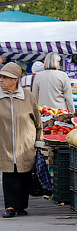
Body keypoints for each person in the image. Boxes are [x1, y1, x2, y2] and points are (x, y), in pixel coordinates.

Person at [0, 62, 43, 218]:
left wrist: (39, 140)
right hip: (5, 143)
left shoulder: (28, 96)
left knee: (24, 174)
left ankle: (21, 206)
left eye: (5, 77)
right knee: (9, 174)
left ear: (16, 79)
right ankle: (10, 207)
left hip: (25, 143)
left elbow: (38, 121)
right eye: (1, 77)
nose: (1, 80)